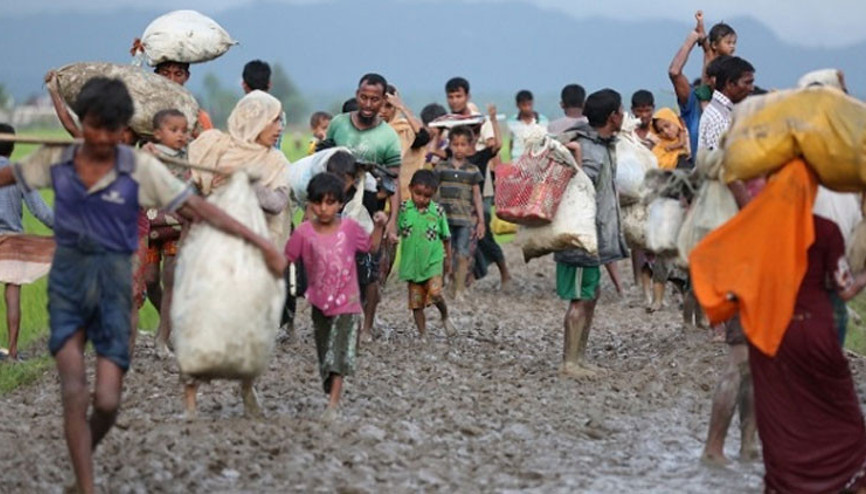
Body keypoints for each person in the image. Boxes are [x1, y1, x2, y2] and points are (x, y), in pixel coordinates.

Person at [0, 77, 285, 494]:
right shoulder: (56, 159)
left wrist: (261, 242)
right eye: (92, 128)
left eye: (110, 130)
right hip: (70, 291)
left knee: (108, 402)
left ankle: (82, 467)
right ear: (83, 125)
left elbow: (196, 207)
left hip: (114, 290)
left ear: (123, 132)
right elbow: (8, 176)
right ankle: (85, 483)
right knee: (75, 390)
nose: (100, 138)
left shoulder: (140, 168)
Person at [749, 215, 866, 492]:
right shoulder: (825, 229)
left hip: (771, 333)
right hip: (815, 331)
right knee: (844, 419)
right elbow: (845, 288)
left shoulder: (761, 225)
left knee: (782, 419)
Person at [285, 173, 386, 420]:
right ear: (310, 204)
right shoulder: (303, 233)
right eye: (318, 202)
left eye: (330, 202)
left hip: (348, 304)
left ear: (340, 204)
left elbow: (370, 247)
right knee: (324, 355)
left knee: (339, 354)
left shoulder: (350, 229)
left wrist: (381, 226)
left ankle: (333, 405)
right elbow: (285, 259)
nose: (323, 208)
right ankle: (330, 382)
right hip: (319, 304)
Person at [699, 55, 758, 466]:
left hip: (743, 237)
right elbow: (729, 172)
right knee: (741, 356)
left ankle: (747, 443)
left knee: (756, 358)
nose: (751, 87)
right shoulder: (717, 120)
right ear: (726, 83)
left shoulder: (731, 114)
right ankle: (716, 446)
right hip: (737, 236)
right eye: (746, 82)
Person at [556, 89, 628, 378]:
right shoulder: (587, 149)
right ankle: (569, 362)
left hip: (593, 239)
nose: (624, 115)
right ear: (613, 116)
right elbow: (577, 188)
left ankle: (579, 358)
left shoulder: (602, 144)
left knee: (591, 294)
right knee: (580, 299)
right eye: (621, 111)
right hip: (579, 237)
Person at [326, 73, 402, 342]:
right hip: (334, 206)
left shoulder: (388, 137)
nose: (368, 104)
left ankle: (366, 327)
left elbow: (394, 180)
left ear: (383, 101)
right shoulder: (338, 125)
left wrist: (392, 220)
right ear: (357, 94)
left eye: (375, 99)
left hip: (369, 211)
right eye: (363, 97)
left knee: (369, 270)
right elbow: (320, 160)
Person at [0, 123, 55, 361]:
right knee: (13, 292)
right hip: (13, 242)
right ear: (13, 147)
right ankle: (12, 352)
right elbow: (41, 211)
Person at [142, 109, 190, 356]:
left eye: (184, 130)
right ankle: (171, 323)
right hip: (149, 228)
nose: (180, 135)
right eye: (174, 130)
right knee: (150, 280)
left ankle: (162, 338)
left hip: (176, 227)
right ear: (157, 134)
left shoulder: (189, 156)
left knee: (170, 280)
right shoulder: (148, 154)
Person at [397, 169, 456, 338]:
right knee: (416, 303)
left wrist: (448, 260)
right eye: (418, 194)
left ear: (433, 194)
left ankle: (445, 315)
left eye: (427, 196)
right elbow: (396, 231)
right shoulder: (403, 210)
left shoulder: (437, 212)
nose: (422, 199)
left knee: (436, 293)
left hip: (433, 261)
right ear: (410, 189)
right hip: (412, 265)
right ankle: (423, 334)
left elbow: (446, 237)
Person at [433, 126, 486, 299]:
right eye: (455, 144)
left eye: (463, 145)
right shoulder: (441, 168)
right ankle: (442, 285)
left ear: (470, 146)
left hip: (464, 219)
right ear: (450, 145)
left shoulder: (473, 171)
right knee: (443, 253)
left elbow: (477, 196)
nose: (459, 148)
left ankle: (459, 288)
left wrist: (481, 220)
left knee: (462, 253)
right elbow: (434, 191)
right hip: (444, 218)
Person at [381, 84, 431, 201]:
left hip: (402, 196)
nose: (382, 111)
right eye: (380, 105)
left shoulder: (404, 130)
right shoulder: (367, 130)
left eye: (388, 106)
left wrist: (402, 107)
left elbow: (423, 137)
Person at [153, 61, 213, 136]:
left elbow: (209, 145)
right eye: (165, 74)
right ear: (156, 75)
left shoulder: (199, 117)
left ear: (186, 76)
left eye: (178, 74)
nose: (171, 80)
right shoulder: (143, 108)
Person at [507, 89, 548, 161]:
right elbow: (511, 142)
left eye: (529, 104)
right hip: (517, 161)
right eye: (524, 105)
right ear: (518, 105)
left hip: (536, 162)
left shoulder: (542, 121)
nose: (527, 108)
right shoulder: (512, 121)